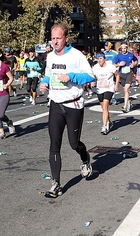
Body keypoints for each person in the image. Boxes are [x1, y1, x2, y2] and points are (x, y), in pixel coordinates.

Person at [39, 24, 95, 198]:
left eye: (58, 38)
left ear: (66, 38)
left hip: (73, 104)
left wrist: (71, 76)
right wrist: (44, 82)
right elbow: (49, 74)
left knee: (73, 143)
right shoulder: (50, 56)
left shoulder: (76, 56)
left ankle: (85, 159)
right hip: (55, 104)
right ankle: (56, 184)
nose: (55, 41)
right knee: (54, 144)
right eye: (53, 38)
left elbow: (90, 76)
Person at [91, 53, 119, 135]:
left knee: (105, 106)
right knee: (103, 107)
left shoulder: (110, 66)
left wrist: (116, 85)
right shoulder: (95, 67)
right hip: (99, 89)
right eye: (98, 59)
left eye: (101, 58)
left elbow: (117, 75)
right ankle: (108, 121)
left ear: (104, 58)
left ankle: (104, 126)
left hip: (109, 89)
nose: (99, 60)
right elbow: (92, 76)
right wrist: (92, 81)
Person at [114, 43, 137, 113]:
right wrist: (119, 64)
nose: (123, 50)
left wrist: (133, 64)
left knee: (126, 89)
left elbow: (136, 60)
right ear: (121, 49)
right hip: (122, 74)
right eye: (122, 48)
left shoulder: (131, 55)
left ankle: (125, 106)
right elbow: (114, 64)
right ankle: (128, 102)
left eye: (125, 48)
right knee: (125, 91)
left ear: (127, 48)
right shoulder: (118, 56)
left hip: (129, 73)